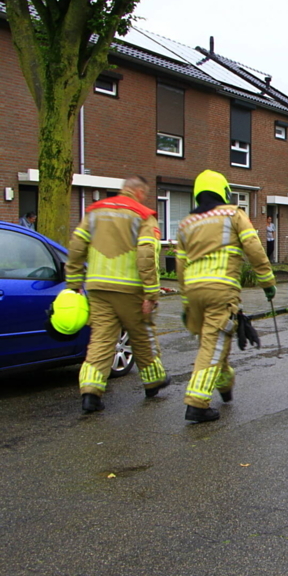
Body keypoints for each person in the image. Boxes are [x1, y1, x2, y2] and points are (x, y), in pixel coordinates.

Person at [176, 170, 276, 423]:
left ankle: (225, 384)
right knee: (214, 344)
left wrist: (186, 301)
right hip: (220, 290)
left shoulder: (186, 224)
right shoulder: (233, 214)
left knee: (210, 342)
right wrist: (266, 281)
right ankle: (196, 403)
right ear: (224, 192)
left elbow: (180, 265)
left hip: (195, 292)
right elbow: (253, 247)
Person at [65, 175, 169, 412]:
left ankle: (90, 392)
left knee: (101, 340)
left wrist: (73, 284)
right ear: (140, 192)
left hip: (97, 288)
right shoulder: (143, 216)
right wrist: (151, 292)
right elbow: (146, 255)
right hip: (130, 289)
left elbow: (76, 248)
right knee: (141, 335)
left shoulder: (94, 212)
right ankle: (153, 381)